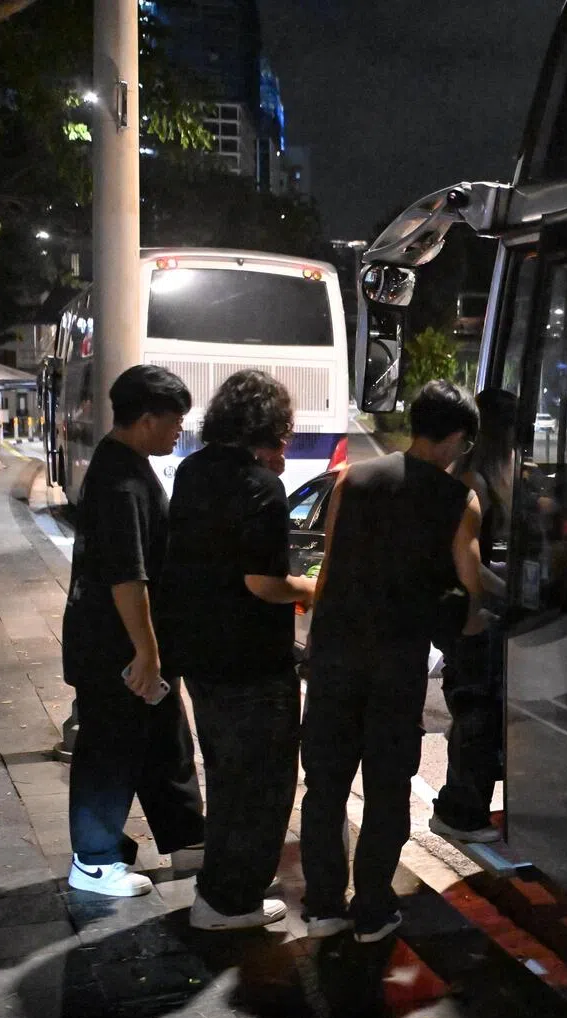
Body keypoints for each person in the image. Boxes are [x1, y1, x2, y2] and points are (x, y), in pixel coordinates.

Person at [300, 380, 484, 943]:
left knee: (326, 786)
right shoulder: (459, 500)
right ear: (454, 438)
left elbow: (327, 568)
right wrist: (471, 627)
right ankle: (374, 908)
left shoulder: (353, 478)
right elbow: (471, 585)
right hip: (397, 661)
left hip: (334, 653)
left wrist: (315, 642)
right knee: (385, 787)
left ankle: (324, 905)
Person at [157, 369, 315, 931]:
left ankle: (226, 880)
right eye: (285, 431)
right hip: (251, 660)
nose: (288, 443)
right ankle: (229, 902)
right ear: (267, 428)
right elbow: (264, 583)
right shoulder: (259, 487)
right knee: (263, 782)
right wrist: (315, 587)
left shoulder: (195, 470)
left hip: (201, 654)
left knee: (227, 773)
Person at [63, 365, 205, 898]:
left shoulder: (124, 463)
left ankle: (188, 837)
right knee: (110, 750)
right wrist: (145, 651)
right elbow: (128, 575)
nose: (178, 433)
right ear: (146, 419)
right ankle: (95, 859)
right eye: (173, 422)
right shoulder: (121, 481)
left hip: (122, 644)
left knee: (165, 740)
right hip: (113, 649)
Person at [429, 388, 517, 843]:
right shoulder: (472, 481)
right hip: (471, 618)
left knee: (481, 715)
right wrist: (513, 592)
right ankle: (460, 810)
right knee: (475, 714)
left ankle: (465, 805)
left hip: (483, 614)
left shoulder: (493, 473)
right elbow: (469, 564)